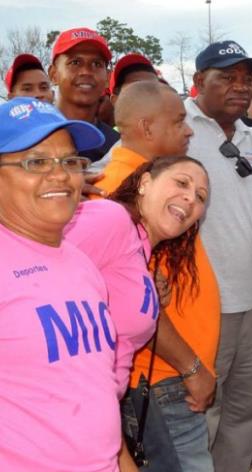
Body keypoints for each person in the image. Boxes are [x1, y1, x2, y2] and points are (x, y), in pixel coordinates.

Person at [88, 81, 221, 472]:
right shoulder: (116, 199)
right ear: (147, 128)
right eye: (179, 120)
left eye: (198, 195)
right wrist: (191, 368)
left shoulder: (156, 188)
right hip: (162, 377)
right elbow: (129, 306)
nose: (189, 129)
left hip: (169, 377)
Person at [0, 97, 118, 471]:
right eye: (36, 161)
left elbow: (94, 394)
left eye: (70, 161)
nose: (59, 175)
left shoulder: (81, 262)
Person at [185, 40, 252, 472]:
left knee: (246, 414)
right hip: (199, 304)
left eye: (247, 79)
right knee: (199, 413)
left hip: (251, 303)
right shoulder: (178, 129)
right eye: (227, 77)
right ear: (197, 83)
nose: (240, 87)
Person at [48, 27, 119, 162]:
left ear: (108, 78)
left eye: (96, 64)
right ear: (53, 74)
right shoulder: (29, 136)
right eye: (75, 62)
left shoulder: (118, 147)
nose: (86, 71)